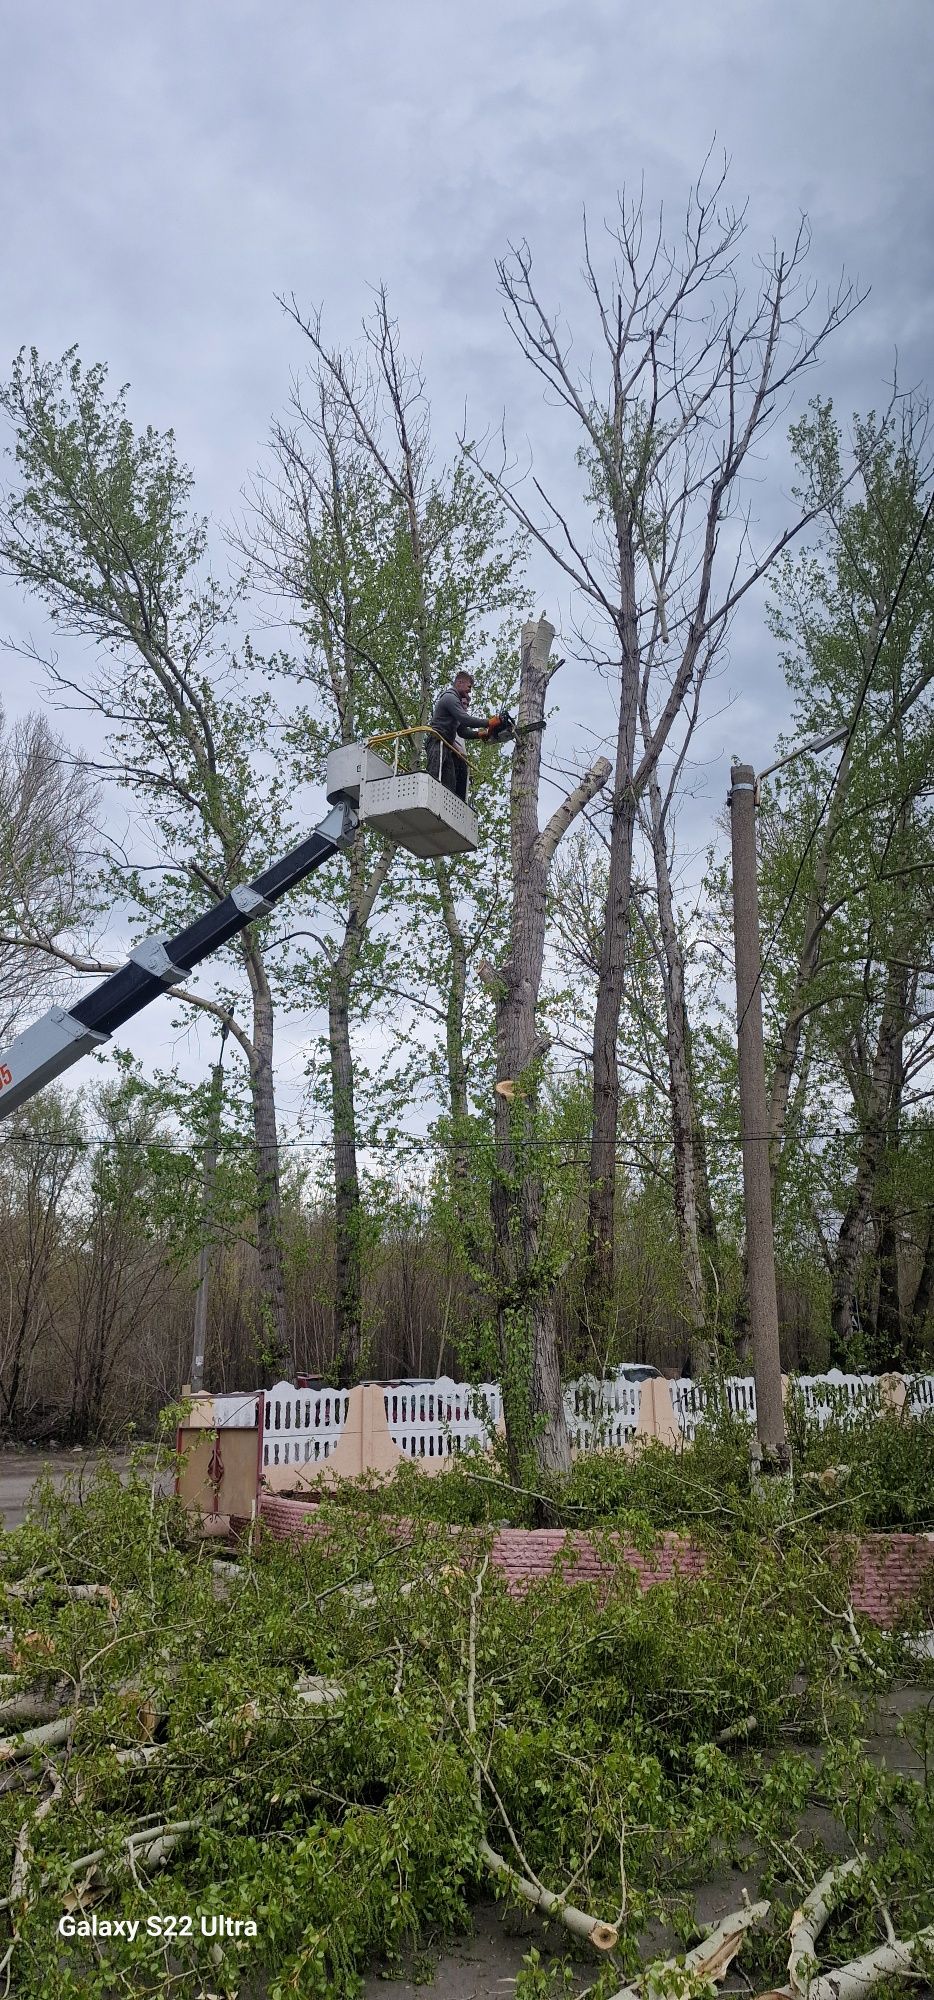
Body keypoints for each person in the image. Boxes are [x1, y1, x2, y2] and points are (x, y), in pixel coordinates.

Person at [426, 671, 492, 801]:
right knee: (435, 772)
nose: (469, 692)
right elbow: (465, 719)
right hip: (437, 741)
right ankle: (429, 800)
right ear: (459, 682)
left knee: (450, 782)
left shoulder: (456, 705)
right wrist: (489, 722)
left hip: (446, 745)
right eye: (469, 688)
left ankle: (445, 806)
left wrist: (479, 734)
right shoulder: (450, 697)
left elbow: (462, 731)